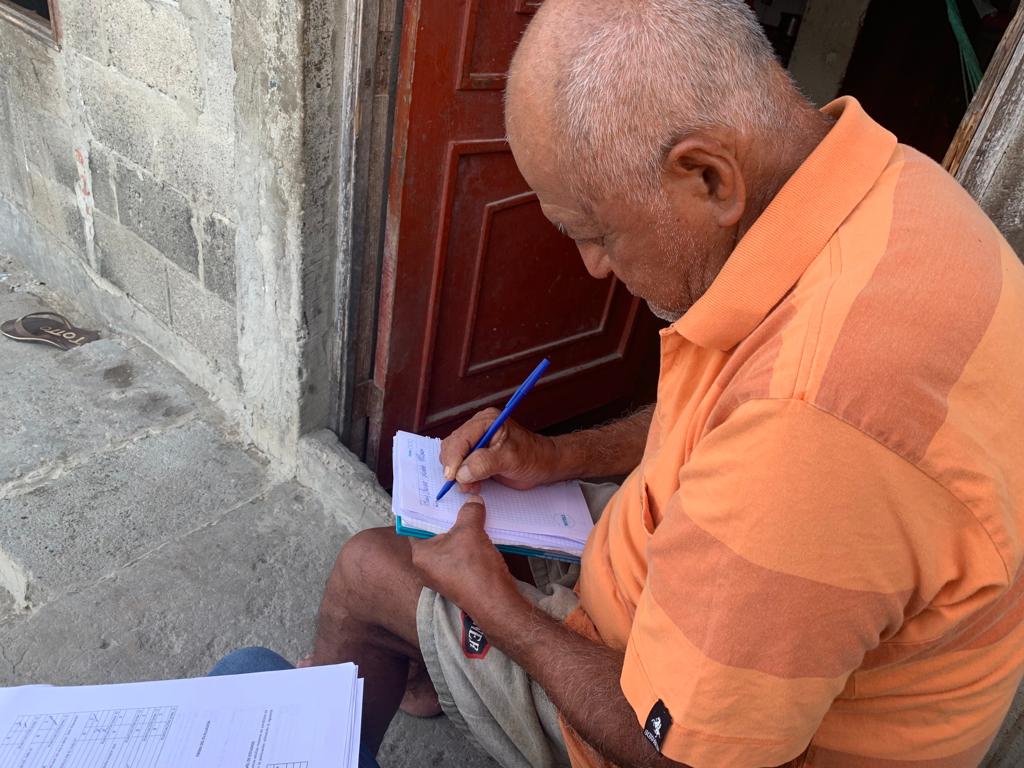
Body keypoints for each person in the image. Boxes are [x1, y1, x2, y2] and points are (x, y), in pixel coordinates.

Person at [305, 1, 1024, 766]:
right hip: (713, 594)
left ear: (708, 176)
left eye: (596, 233)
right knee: (468, 543)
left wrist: (495, 607)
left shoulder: (809, 436)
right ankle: (434, 667)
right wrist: (559, 457)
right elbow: (726, 415)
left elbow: (673, 752)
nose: (593, 266)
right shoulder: (888, 187)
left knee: (369, 569)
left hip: (656, 724)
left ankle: (388, 682)